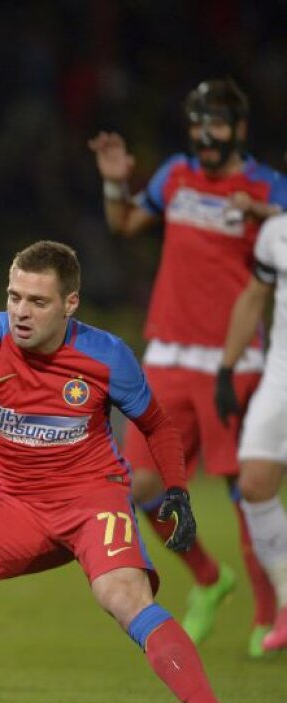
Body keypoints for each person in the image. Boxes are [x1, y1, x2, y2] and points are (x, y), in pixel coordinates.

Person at [0, 240, 244, 703]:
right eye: (14, 297)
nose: (20, 313)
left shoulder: (106, 355)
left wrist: (176, 489)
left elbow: (157, 426)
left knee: (123, 596)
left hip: (94, 501)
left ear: (70, 304)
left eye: (37, 301)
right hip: (17, 504)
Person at [88, 77, 287, 657]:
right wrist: (113, 179)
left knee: (245, 489)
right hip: (167, 353)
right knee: (141, 482)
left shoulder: (266, 185)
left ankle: (267, 614)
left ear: (240, 129)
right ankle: (206, 576)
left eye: (217, 122)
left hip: (233, 357)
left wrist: (267, 212)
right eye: (198, 122)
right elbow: (123, 224)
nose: (205, 134)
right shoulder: (175, 175)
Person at [217, 212, 287, 651]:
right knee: (254, 482)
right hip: (281, 375)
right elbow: (255, 295)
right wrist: (227, 366)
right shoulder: (276, 230)